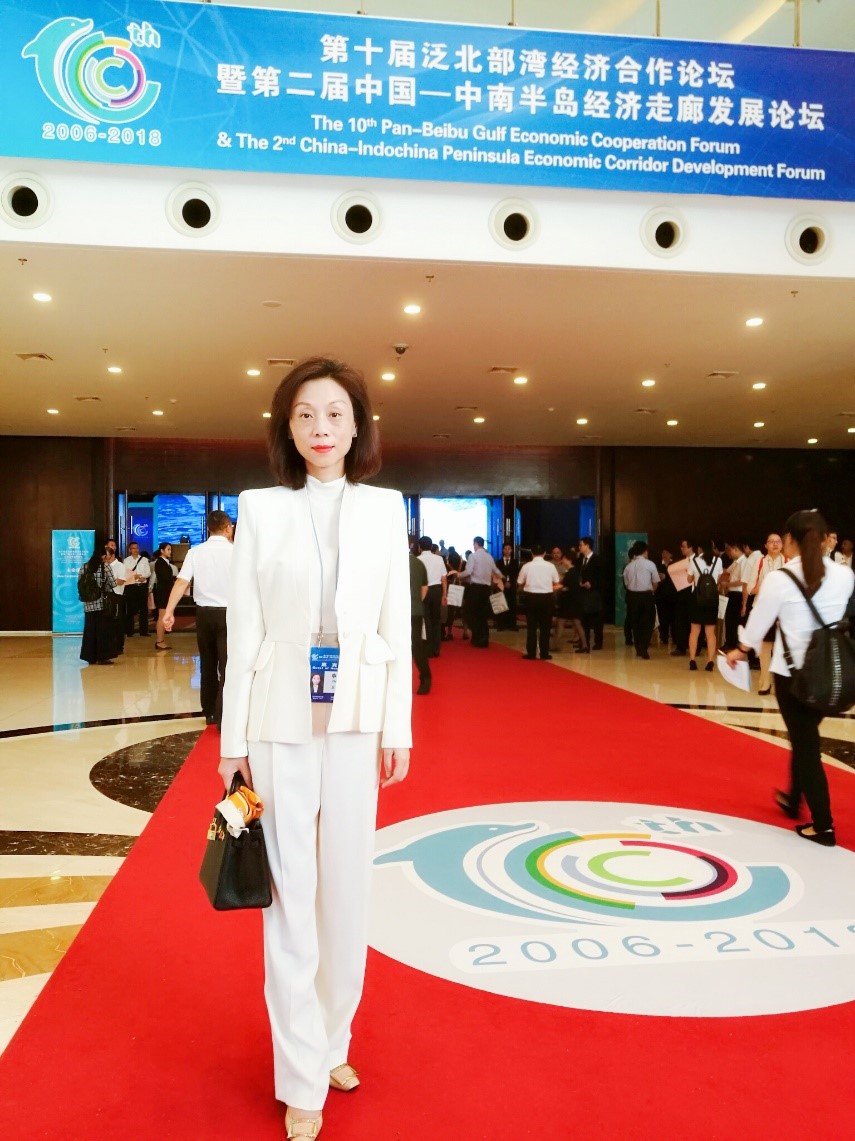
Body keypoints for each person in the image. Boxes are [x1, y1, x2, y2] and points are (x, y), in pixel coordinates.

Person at [219, 356, 411, 1141]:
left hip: (356, 718)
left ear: (357, 424)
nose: (320, 428)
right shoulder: (260, 507)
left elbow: (397, 623)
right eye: (304, 414)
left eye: (334, 413)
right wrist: (232, 740)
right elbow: (244, 629)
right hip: (278, 720)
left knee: (347, 892)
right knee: (290, 898)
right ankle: (301, 1076)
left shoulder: (384, 509)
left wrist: (398, 725)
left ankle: (333, 1040)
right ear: (286, 427)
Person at [726, 510, 854, 847]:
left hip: (793, 676)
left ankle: (823, 825)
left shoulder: (780, 579)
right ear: (825, 539)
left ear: (789, 540)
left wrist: (741, 649)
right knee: (805, 736)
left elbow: (758, 623)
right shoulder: (844, 575)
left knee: (806, 746)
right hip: (830, 672)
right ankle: (793, 798)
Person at [161, 509, 235, 728]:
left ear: (209, 529)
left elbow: (181, 582)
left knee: (208, 663)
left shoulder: (195, 552)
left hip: (204, 614)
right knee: (228, 665)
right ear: (227, 527)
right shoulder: (237, 552)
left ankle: (209, 711)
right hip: (230, 614)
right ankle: (223, 715)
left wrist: (169, 611)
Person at [751, 533, 786, 695]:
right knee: (765, 647)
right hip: (764, 609)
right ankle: (765, 681)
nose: (775, 544)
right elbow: (751, 588)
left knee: (781, 647)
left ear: (782, 544)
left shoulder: (788, 562)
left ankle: (780, 684)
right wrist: (767, 586)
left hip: (783, 610)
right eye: (771, 541)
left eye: (778, 541)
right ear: (765, 545)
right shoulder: (760, 562)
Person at [78, 542, 121, 665]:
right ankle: (103, 657)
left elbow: (80, 583)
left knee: (90, 630)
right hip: (102, 604)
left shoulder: (84, 567)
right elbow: (113, 584)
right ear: (103, 556)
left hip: (88, 604)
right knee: (103, 631)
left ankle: (89, 656)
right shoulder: (105, 567)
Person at [457, 535, 503, 648]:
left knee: (471, 613)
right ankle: (484, 638)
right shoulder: (489, 557)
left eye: (473, 544)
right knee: (483, 614)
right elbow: (496, 571)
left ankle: (477, 637)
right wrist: (503, 577)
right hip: (486, 589)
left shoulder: (473, 556)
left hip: (475, 589)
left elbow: (468, 571)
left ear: (476, 543)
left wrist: (458, 575)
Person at [517, 543, 560, 659]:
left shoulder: (526, 566)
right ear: (544, 553)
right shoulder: (550, 566)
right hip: (546, 599)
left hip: (531, 598)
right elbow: (556, 581)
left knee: (531, 627)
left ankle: (531, 653)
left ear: (532, 553)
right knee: (545, 627)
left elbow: (519, 582)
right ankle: (544, 653)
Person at [686, 541, 723, 671]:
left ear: (699, 548)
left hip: (697, 599)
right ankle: (710, 661)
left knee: (694, 631)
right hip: (712, 599)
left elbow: (689, 580)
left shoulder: (694, 561)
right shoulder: (718, 561)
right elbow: (718, 580)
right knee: (710, 632)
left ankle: (692, 660)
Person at [622, 540, 659, 659]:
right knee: (648, 622)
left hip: (632, 597)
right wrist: (652, 590)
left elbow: (626, 584)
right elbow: (655, 582)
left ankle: (638, 648)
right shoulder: (650, 564)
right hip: (647, 596)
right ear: (645, 551)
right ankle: (644, 647)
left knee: (635, 623)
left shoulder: (628, 566)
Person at [417, 535, 446, 658]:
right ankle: (436, 649)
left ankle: (428, 649)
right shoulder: (439, 559)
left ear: (419, 547)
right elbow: (444, 578)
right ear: (431, 546)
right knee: (436, 620)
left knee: (426, 620)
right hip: (436, 590)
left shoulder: (417, 560)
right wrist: (444, 594)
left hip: (423, 591)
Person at [409, 546, 431, 695]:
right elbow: (425, 588)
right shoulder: (418, 563)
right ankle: (425, 678)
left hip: (396, 612)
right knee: (416, 645)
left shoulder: (391, 562)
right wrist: (416, 602)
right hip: (415, 611)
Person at [577, 536, 604, 650]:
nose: (579, 547)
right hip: (583, 593)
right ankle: (584, 641)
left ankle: (598, 642)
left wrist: (592, 583)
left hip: (594, 593)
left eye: (581, 545)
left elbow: (602, 577)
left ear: (587, 546)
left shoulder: (597, 559)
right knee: (584, 619)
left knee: (597, 618)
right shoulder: (580, 559)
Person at [150, 542, 176, 651]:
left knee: (163, 616)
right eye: (168, 549)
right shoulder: (160, 562)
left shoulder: (165, 562)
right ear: (162, 550)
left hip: (165, 592)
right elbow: (166, 579)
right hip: (163, 593)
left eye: (170, 549)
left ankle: (160, 640)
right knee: (162, 617)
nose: (170, 551)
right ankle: (160, 641)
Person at [123, 541, 151, 637]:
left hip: (142, 586)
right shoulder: (126, 561)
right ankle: (129, 631)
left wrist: (143, 576)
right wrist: (134, 577)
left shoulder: (144, 560)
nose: (136, 550)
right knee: (130, 609)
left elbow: (148, 572)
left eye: (137, 548)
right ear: (129, 550)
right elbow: (125, 574)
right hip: (131, 586)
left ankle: (144, 631)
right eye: (133, 548)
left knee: (143, 609)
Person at [655, 548, 677, 647]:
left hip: (673, 596)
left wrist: (666, 576)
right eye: (663, 552)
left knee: (673, 618)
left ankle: (674, 637)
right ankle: (663, 637)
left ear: (671, 554)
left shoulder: (675, 565)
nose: (664, 555)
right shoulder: (657, 565)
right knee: (662, 618)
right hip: (661, 596)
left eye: (667, 553)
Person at [494, 542, 519, 631]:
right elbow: (497, 574)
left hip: (512, 586)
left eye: (509, 549)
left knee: (512, 605)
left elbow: (515, 574)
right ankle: (501, 625)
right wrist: (504, 582)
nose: (507, 551)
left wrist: (510, 582)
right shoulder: (498, 562)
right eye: (505, 549)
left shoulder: (515, 562)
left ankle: (512, 625)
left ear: (511, 550)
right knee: (501, 604)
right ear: (503, 550)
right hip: (501, 586)